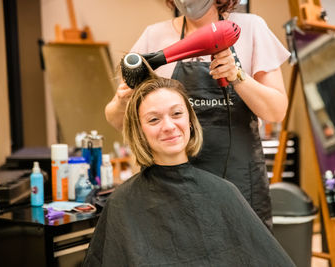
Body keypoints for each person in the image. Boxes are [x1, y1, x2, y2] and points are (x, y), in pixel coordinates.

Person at [105, 0, 290, 229]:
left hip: (239, 181)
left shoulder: (251, 28)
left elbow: (277, 111)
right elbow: (115, 119)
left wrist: (237, 75)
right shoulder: (153, 36)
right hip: (171, 186)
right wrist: (122, 101)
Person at [83, 77, 295, 266]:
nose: (169, 126)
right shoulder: (122, 202)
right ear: (139, 131)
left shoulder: (224, 193)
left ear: (190, 122)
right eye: (154, 119)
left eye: (177, 114)